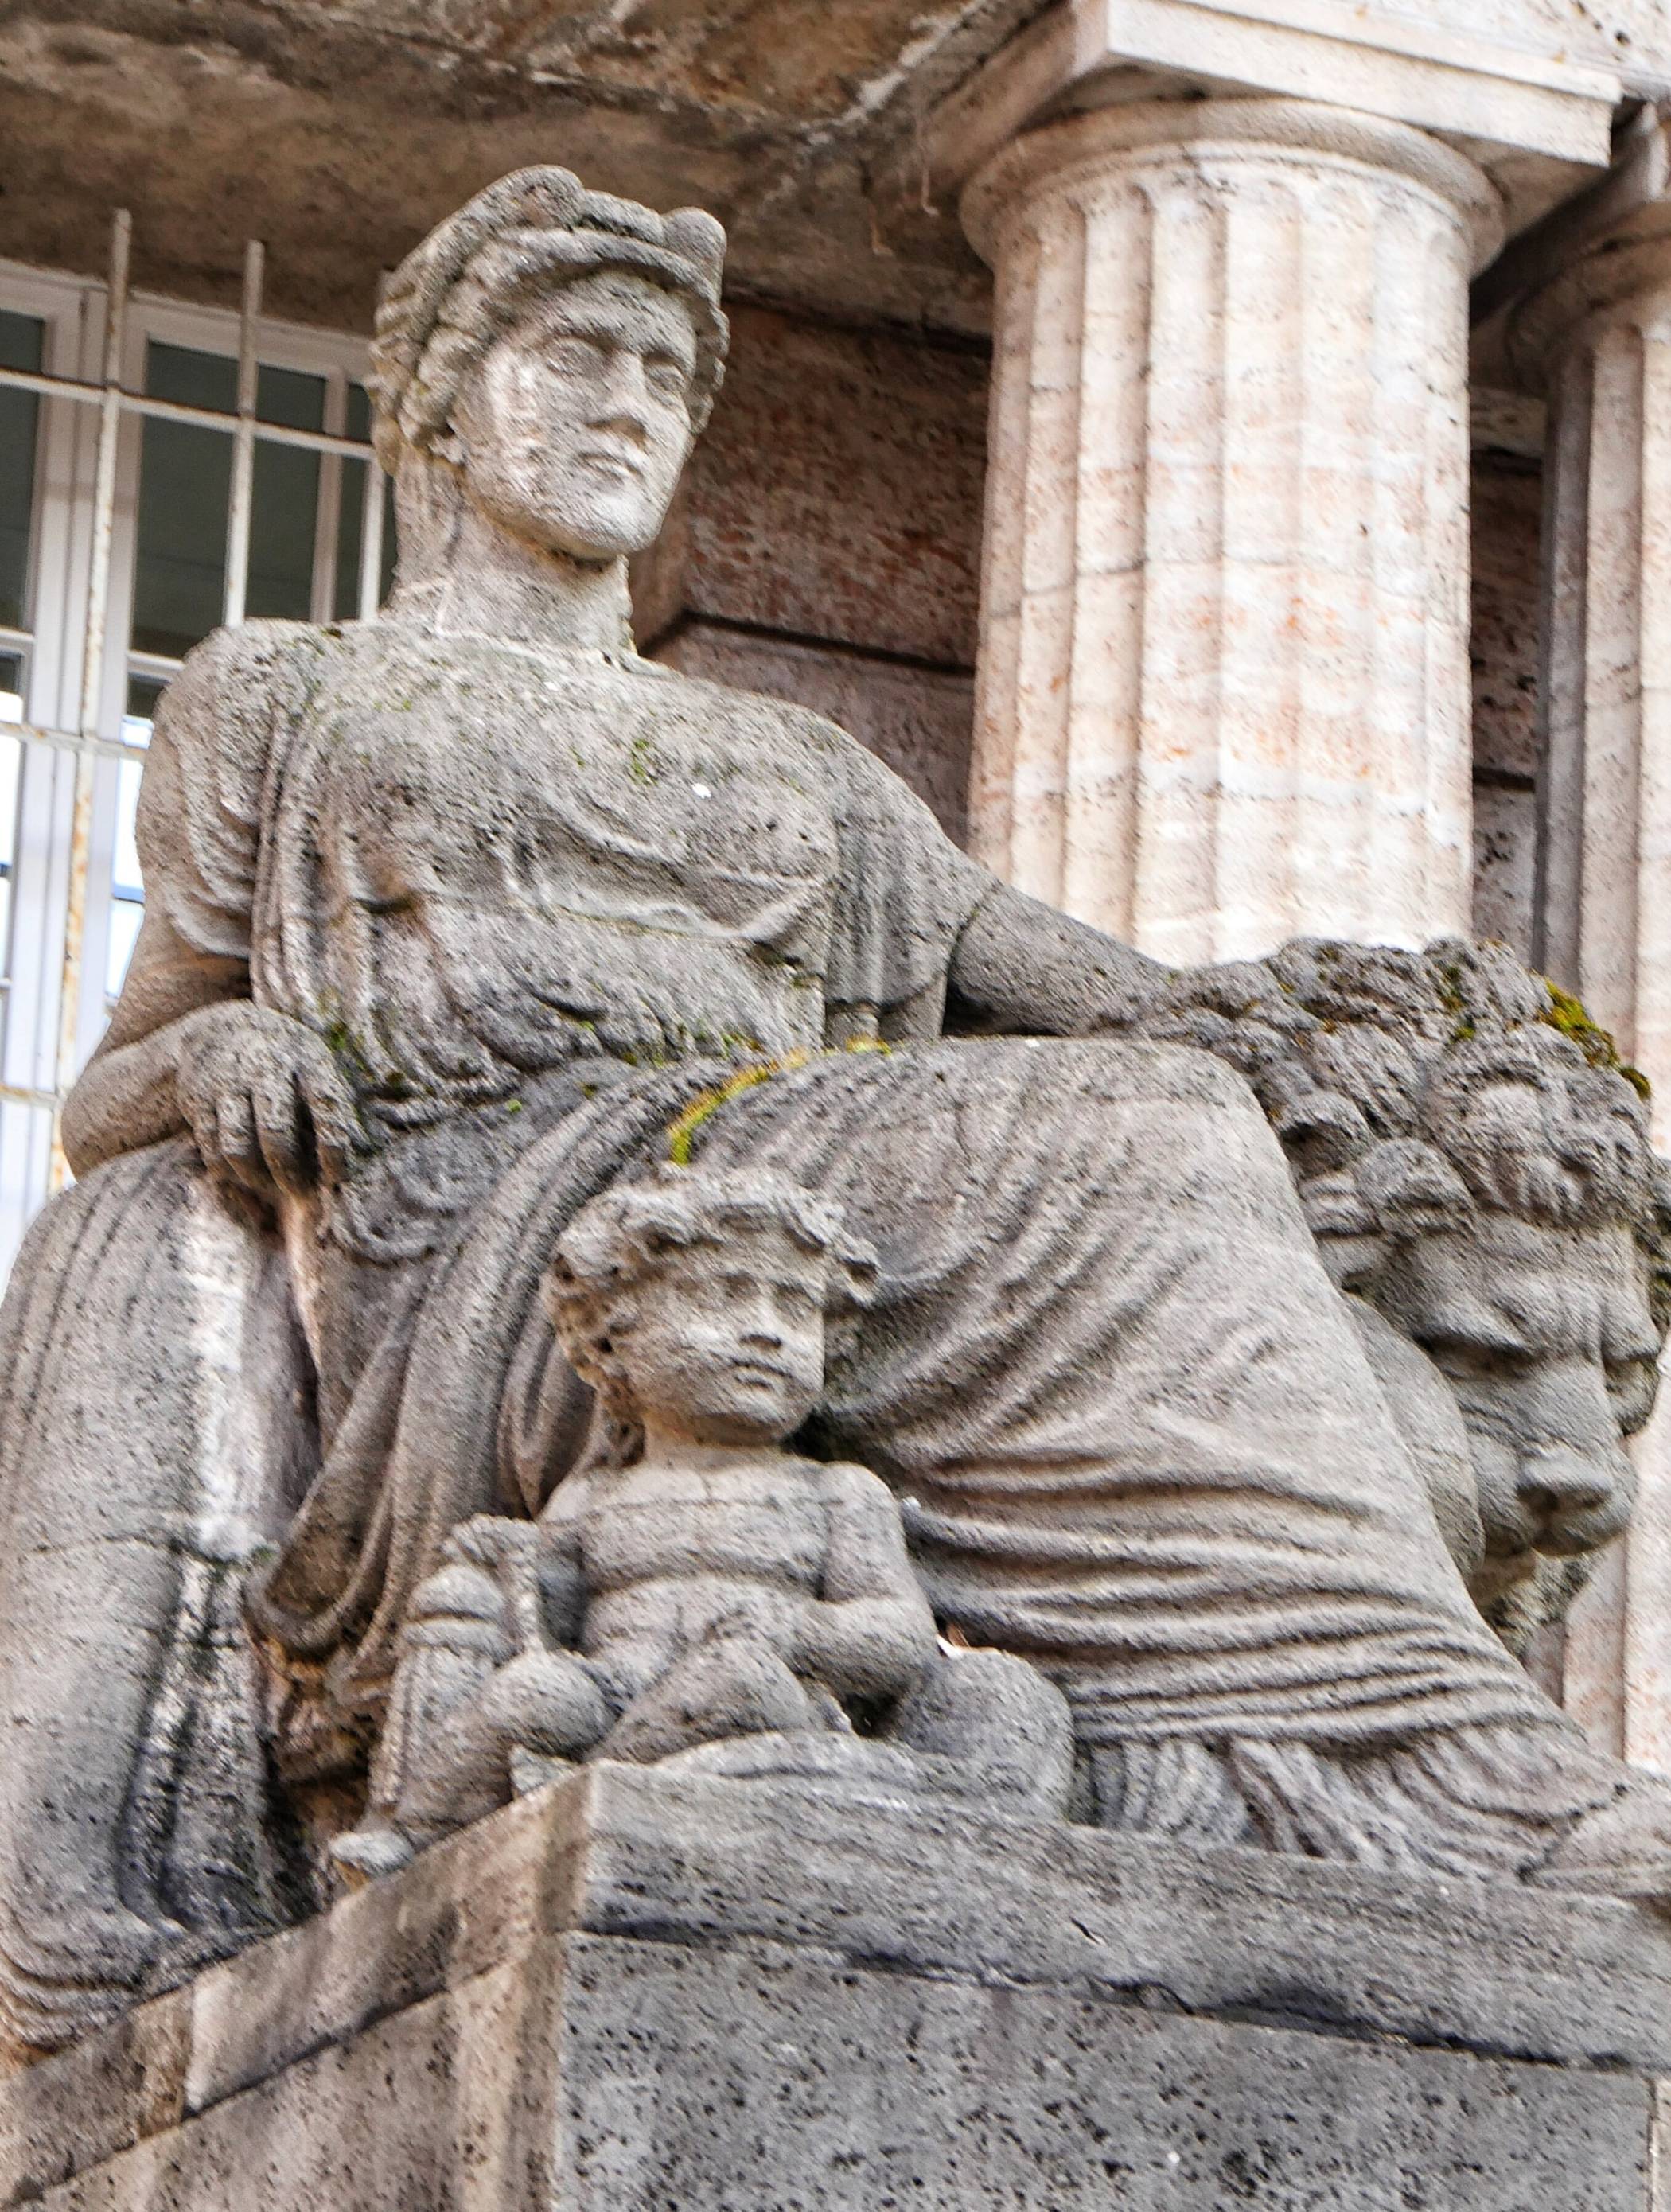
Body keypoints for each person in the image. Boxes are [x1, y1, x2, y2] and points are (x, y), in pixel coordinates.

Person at [2, 164, 1668, 2058]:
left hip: (791, 1189)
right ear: (445, 407)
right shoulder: (292, 691)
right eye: (578, 356)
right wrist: (213, 1058)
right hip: (498, 1227)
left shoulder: (797, 757)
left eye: (665, 376)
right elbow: (121, 1076)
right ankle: (1451, 1770)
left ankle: (1309, 1767)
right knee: (1157, 1136)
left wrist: (1359, 1049)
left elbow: (1091, 990)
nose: (628, 406)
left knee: (1181, 1115)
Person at [333, 1164, 1070, 1881]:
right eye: (724, 1297)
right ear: (611, 1339)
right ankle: (414, 1831)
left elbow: (898, 1638)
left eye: (794, 1308)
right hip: (614, 1687)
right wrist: (509, 1561)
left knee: (738, 1678)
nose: (766, 1333)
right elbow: (552, 1608)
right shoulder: (593, 1496)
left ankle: (595, 1787)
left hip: (767, 1692)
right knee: (534, 1693)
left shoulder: (837, 1493)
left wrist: (797, 1632)